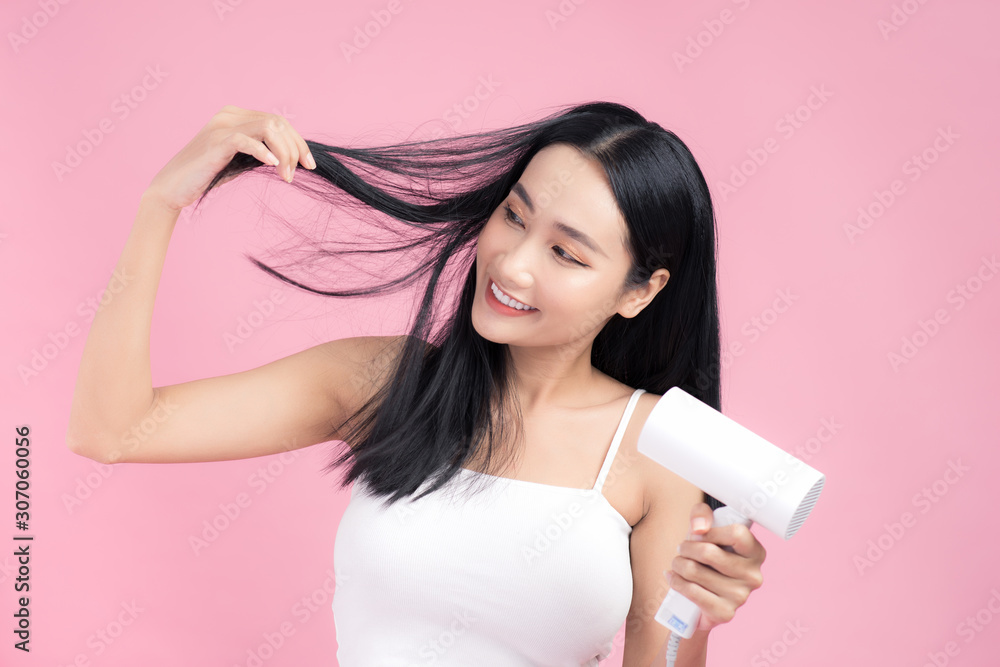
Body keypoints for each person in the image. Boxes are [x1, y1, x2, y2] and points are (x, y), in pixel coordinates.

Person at [67, 102, 767, 666]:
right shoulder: (383, 383)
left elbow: (665, 655)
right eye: (514, 216)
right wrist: (158, 204)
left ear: (640, 291)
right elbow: (112, 428)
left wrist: (693, 615)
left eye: (565, 252)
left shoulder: (660, 450)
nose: (513, 265)